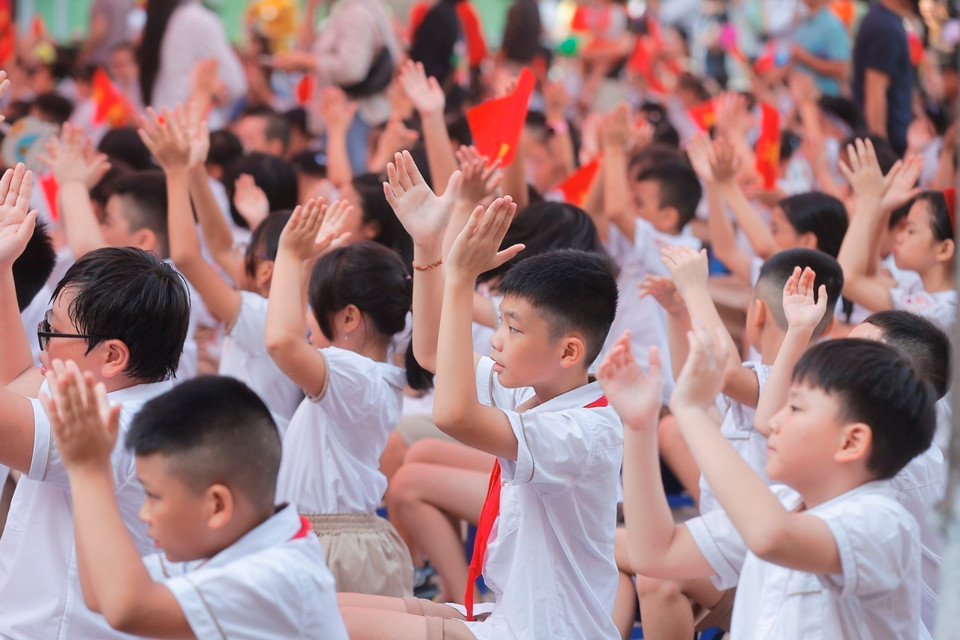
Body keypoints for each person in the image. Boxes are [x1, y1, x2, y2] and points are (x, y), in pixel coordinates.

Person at [339, 151, 623, 639]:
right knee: (322, 604)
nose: (495, 340)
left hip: (545, 632)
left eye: (512, 329)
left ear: (569, 351)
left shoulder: (585, 429)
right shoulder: (536, 391)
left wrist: (459, 277)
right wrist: (427, 244)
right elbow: (429, 351)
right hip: (511, 617)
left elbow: (453, 415)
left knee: (328, 621)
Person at [604, 325, 935, 638]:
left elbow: (772, 536)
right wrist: (639, 427)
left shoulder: (882, 521)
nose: (775, 422)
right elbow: (656, 554)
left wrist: (690, 411)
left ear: (852, 442)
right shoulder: (783, 505)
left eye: (795, 408)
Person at [0, 160, 190, 638]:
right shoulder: (113, 393)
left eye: (53, 330)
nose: (42, 341)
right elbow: (18, 377)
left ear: (111, 355)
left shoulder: (112, 427)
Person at [40, 369, 350, 639]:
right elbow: (100, 594)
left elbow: (127, 608)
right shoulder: (241, 539)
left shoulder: (277, 575)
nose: (144, 513)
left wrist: (88, 468)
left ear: (217, 506)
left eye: (153, 495)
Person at [265, 202, 428, 597]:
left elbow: (280, 342)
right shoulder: (364, 376)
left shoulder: (350, 376)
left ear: (349, 318)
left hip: (334, 548)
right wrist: (306, 262)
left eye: (314, 308)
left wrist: (289, 254)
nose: (305, 320)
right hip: (338, 542)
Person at [139, 106, 304, 423]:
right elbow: (219, 246)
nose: (234, 257)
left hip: (248, 451)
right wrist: (196, 169)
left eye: (248, 253)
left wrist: (174, 171)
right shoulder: (288, 309)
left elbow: (188, 256)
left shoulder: (261, 316)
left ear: (266, 271)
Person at [839, 139, 956, 331]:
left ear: (944, 249)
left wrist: (869, 201)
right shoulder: (921, 287)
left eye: (911, 230)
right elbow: (868, 275)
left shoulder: (945, 310)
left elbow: (850, 279)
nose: (900, 237)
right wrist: (882, 209)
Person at [137, 0, 247, 117]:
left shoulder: (169, 16)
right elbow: (235, 85)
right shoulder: (197, 19)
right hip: (189, 125)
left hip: (163, 118)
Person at [852, 0, 919, 154]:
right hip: (889, 144)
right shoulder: (885, 27)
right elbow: (875, 90)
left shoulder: (886, 21)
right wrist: (882, 151)